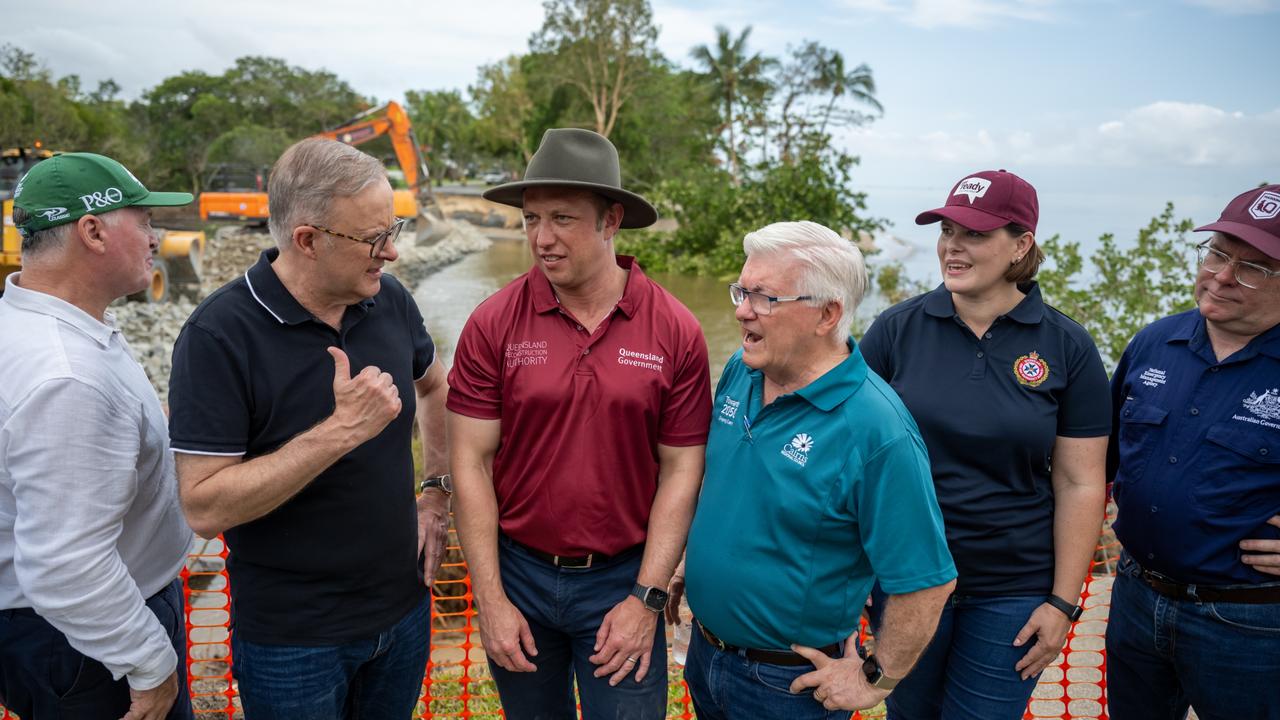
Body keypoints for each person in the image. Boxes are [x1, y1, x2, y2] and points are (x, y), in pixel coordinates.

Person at [166, 138, 450, 719]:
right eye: (375, 238)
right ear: (307, 240)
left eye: (392, 228)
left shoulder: (389, 299)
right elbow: (204, 507)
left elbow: (436, 388)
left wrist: (436, 496)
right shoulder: (218, 336)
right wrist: (341, 430)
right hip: (292, 643)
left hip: (402, 614)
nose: (392, 252)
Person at [448, 128, 711, 720]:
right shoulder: (493, 323)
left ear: (611, 220)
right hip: (518, 574)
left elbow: (682, 468)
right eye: (531, 218)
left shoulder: (674, 329)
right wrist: (489, 600)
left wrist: (646, 597)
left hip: (621, 579)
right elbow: (470, 461)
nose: (542, 238)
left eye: (563, 218)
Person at [675, 221, 957, 719]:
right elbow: (728, 486)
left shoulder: (877, 430)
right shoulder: (744, 369)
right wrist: (691, 562)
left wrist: (877, 677)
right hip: (705, 655)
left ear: (828, 314)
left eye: (764, 298)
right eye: (742, 290)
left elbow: (926, 581)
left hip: (787, 686)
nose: (741, 310)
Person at [859, 169, 1111, 720]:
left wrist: (1063, 603)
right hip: (907, 579)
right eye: (947, 229)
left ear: (1021, 244)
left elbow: (1081, 480)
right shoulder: (894, 330)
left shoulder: (1067, 346)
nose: (953, 245)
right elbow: (851, 453)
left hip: (1013, 588)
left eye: (974, 233)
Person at [0, 153, 195, 719]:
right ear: (93, 230)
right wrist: (149, 662)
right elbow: (66, 564)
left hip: (63, 631)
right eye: (144, 221)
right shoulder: (67, 375)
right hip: (89, 644)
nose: (156, 238)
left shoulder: (32, 326)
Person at [1105, 184, 1280, 720]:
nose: (1222, 276)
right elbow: (1099, 463)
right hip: (1135, 601)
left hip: (1249, 625)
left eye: (1254, 267)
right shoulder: (1153, 343)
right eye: (1218, 253)